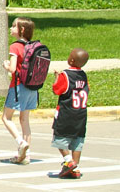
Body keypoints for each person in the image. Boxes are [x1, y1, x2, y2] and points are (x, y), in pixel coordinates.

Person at [2, 17, 37, 164]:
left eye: (14, 26)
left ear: (21, 30)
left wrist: (6, 65)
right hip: (32, 88)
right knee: (25, 120)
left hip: (18, 86)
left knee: (6, 117)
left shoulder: (15, 47)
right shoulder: (33, 46)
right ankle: (26, 155)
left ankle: (20, 142)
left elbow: (13, 69)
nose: (11, 28)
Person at [51, 48, 89, 179]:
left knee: (59, 137)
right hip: (81, 114)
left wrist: (57, 78)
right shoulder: (83, 75)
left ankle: (69, 161)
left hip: (66, 113)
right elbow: (87, 88)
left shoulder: (65, 75)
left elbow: (57, 90)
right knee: (77, 140)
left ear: (71, 60)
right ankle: (76, 168)